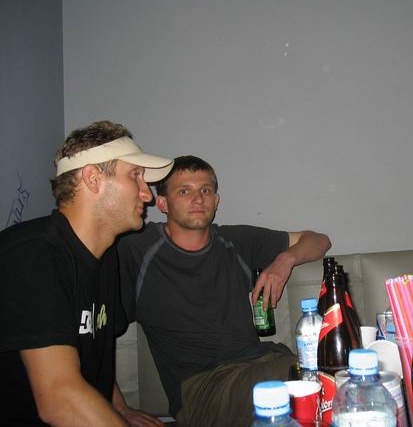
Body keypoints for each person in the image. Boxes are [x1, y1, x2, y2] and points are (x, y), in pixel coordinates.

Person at [117, 155, 331, 426]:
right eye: (184, 191)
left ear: (216, 201)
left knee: (330, 366)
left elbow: (319, 240)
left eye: (206, 190)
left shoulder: (235, 241)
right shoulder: (137, 249)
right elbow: (90, 336)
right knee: (307, 379)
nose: (198, 199)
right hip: (203, 390)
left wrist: (284, 260)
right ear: (162, 204)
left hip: (265, 362)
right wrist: (119, 408)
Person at [0, 121, 173, 426]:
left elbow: (95, 351)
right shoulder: (33, 253)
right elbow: (60, 398)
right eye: (135, 175)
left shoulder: (106, 257)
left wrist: (120, 408)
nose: (147, 194)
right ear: (93, 179)